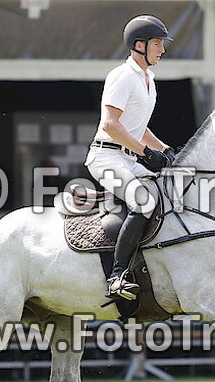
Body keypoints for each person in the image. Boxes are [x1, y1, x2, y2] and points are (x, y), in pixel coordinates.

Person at [84, 15, 175, 300]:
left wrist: (165, 149)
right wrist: (146, 153)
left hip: (128, 158)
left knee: (169, 194)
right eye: (157, 44)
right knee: (145, 202)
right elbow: (111, 124)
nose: (162, 50)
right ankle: (117, 275)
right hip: (106, 157)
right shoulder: (122, 76)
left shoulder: (149, 78)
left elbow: (138, 126)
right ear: (139, 45)